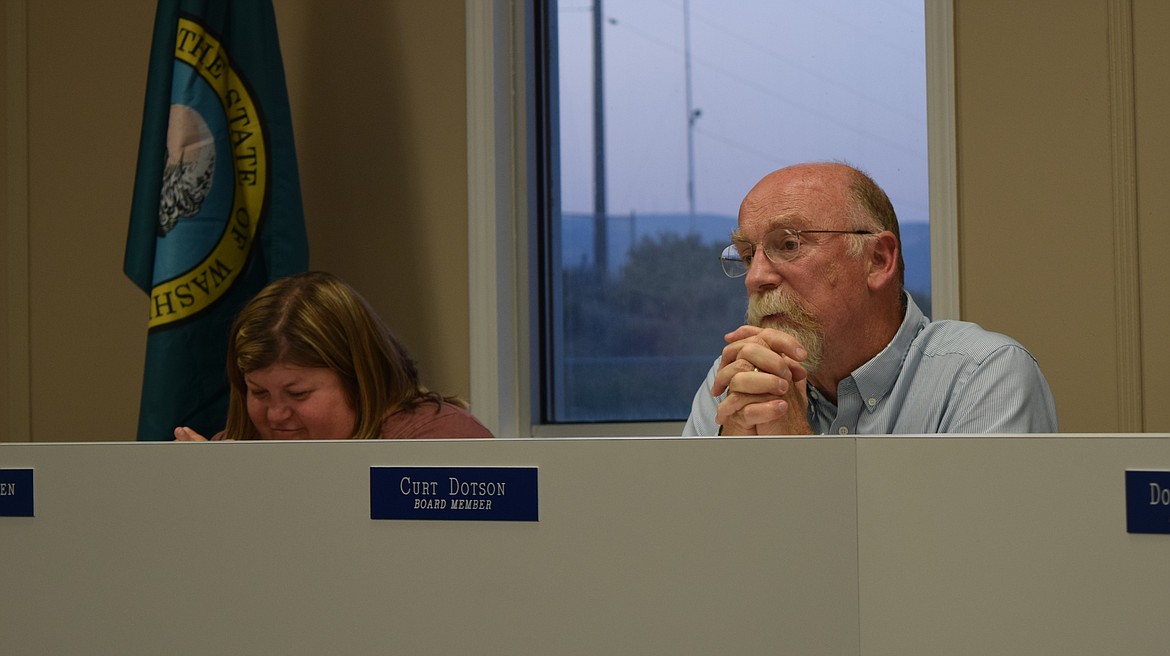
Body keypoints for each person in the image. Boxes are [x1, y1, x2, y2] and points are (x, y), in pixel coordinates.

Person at [683, 161, 1057, 436]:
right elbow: (686, 539)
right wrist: (727, 467)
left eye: (789, 244)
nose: (756, 277)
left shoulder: (984, 375)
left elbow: (971, 543)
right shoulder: (735, 379)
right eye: (748, 255)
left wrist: (793, 449)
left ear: (878, 260)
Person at [174, 271, 493, 440]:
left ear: (359, 379)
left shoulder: (441, 441)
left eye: (297, 393)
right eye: (259, 392)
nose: (275, 415)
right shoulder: (230, 450)